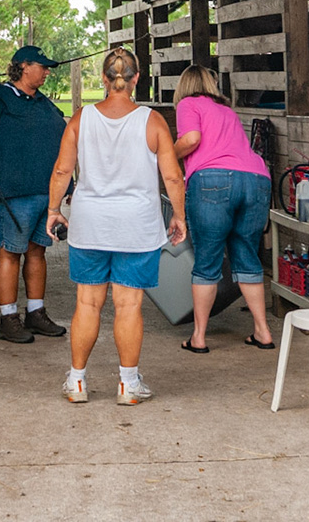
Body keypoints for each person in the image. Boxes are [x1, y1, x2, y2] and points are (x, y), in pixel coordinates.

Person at [46, 47, 187, 405]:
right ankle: (128, 385)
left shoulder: (82, 119)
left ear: (104, 80)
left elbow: (63, 170)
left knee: (88, 304)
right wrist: (179, 215)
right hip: (136, 226)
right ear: (137, 79)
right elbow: (172, 176)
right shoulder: (152, 121)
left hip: (91, 224)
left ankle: (77, 382)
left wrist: (53, 209)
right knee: (128, 306)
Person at [0, 45, 68, 344]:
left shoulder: (44, 103)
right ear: (24, 66)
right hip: (16, 190)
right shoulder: (0, 96)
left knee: (38, 251)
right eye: (43, 67)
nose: (47, 72)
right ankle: (8, 319)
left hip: (46, 192)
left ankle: (35, 313)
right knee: (11, 251)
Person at [172, 65, 276, 353]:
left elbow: (192, 139)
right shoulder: (227, 111)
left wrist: (167, 154)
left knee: (207, 260)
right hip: (256, 180)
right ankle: (263, 332)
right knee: (247, 255)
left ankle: (199, 338)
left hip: (213, 180)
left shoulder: (187, 103)